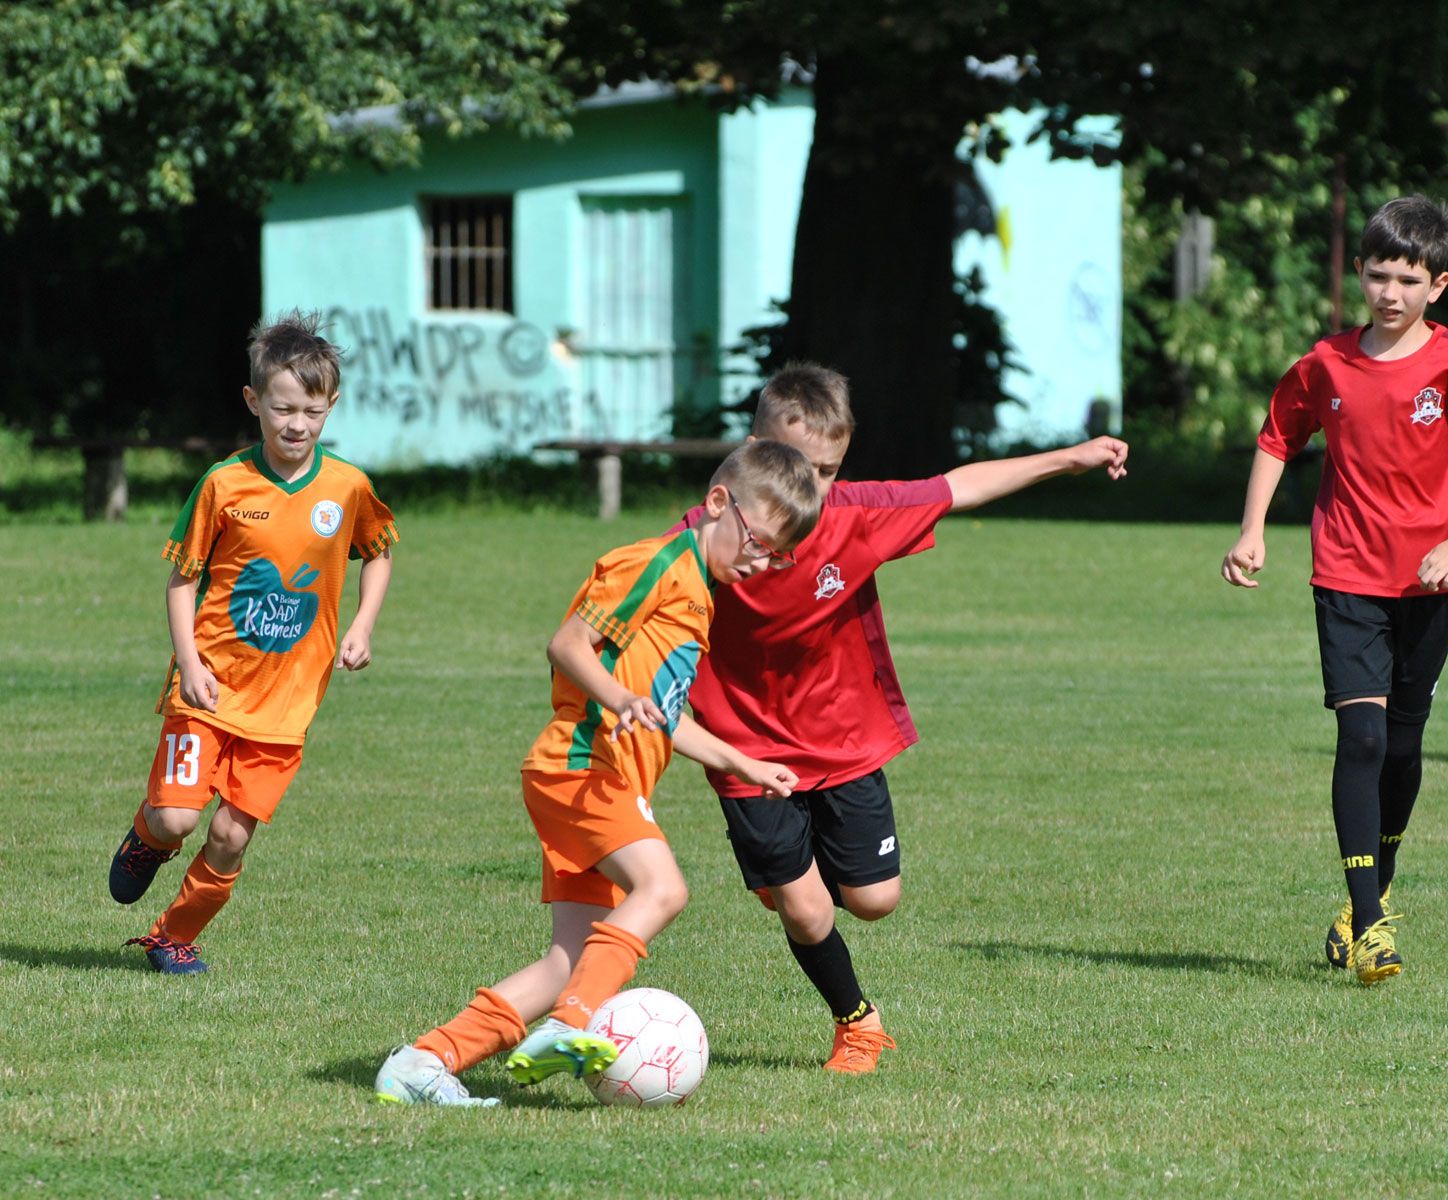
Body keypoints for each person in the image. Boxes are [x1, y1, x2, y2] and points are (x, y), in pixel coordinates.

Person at [676, 364, 1129, 1072]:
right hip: (743, 750)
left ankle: (790, 875)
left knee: (876, 899)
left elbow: (957, 487)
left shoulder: (854, 515)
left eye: (827, 472)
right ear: (752, 451)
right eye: (795, 466)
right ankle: (856, 1023)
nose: (810, 489)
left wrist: (1069, 458)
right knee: (807, 910)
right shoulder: (702, 541)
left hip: (844, 738)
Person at [375, 440, 821, 1106]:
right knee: (663, 889)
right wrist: (618, 698)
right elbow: (566, 645)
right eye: (759, 542)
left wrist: (742, 762)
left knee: (568, 963)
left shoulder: (701, 596)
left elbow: (666, 714)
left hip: (599, 778)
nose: (760, 563)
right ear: (718, 503)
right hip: (581, 766)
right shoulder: (656, 564)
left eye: (777, 556)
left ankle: (424, 1061)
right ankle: (570, 1024)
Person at [1220, 196, 1448, 986]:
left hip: (1433, 583)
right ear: (1358, 273)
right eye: (1377, 276)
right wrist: (1252, 529)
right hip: (1347, 575)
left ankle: (1375, 887)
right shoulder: (1326, 365)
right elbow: (1277, 438)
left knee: (1402, 745)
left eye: (1408, 280)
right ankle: (1369, 926)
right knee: (1361, 739)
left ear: (1438, 285)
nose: (1390, 293)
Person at [107, 312, 398, 975]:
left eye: (312, 412)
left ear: (331, 406)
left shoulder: (348, 487)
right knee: (178, 821)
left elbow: (379, 553)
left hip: (287, 703)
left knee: (231, 836)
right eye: (283, 409)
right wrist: (187, 663)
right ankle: (148, 836)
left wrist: (362, 625)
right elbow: (182, 579)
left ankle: (172, 938)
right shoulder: (224, 483)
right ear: (253, 401)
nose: (297, 425)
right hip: (209, 681)